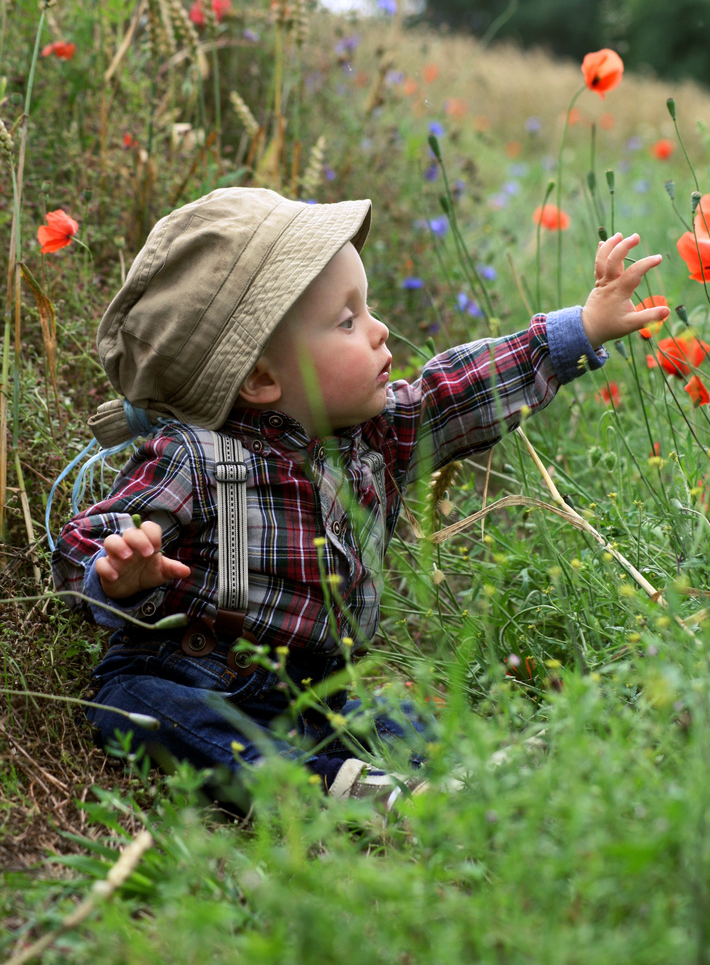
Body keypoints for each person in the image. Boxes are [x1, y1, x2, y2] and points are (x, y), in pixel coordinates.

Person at [52, 187, 669, 808]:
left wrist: (579, 330)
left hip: (314, 695)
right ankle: (330, 792)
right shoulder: (194, 456)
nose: (380, 330)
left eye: (365, 309)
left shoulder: (375, 439)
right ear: (262, 378)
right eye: (348, 321)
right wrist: (120, 571)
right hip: (196, 676)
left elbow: (457, 391)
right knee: (134, 710)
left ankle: (473, 775)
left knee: (398, 721)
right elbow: (85, 539)